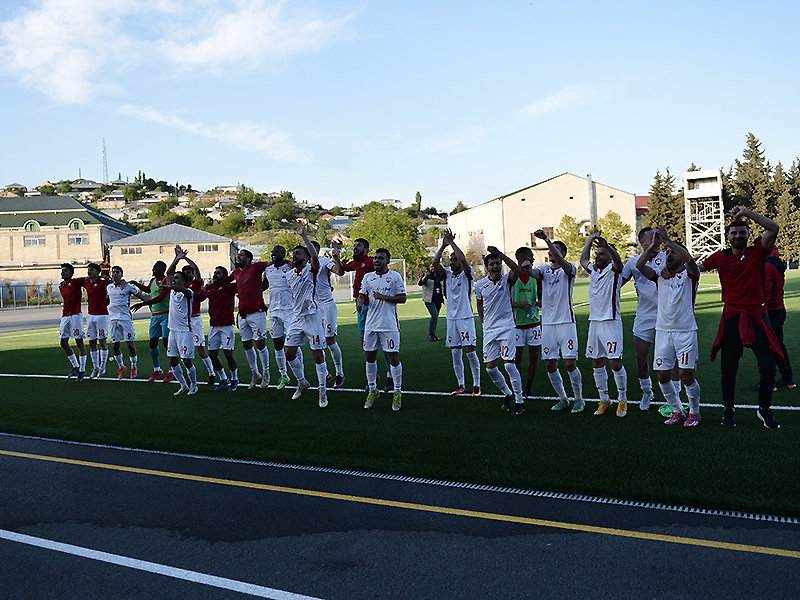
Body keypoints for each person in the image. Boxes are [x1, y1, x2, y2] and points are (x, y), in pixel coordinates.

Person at [699, 207, 783, 429]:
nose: (737, 236)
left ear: (747, 235)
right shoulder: (720, 257)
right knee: (728, 368)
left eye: (742, 232)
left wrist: (745, 212)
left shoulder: (757, 252)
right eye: (733, 233)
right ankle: (728, 409)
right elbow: (696, 268)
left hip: (756, 316)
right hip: (733, 318)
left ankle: (764, 409)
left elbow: (773, 227)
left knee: (768, 368)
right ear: (727, 237)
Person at [637, 225, 702, 426]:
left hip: (686, 332)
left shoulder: (691, 275)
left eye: (673, 253)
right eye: (667, 254)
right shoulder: (659, 277)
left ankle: (694, 412)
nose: (669, 255)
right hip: (663, 332)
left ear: (682, 257)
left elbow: (690, 261)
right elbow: (640, 266)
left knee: (686, 375)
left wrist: (668, 241)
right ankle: (677, 411)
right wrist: (655, 244)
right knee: (663, 375)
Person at [523, 232, 584, 413]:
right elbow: (533, 273)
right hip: (548, 325)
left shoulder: (569, 269)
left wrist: (547, 241)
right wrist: (526, 268)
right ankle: (563, 399)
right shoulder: (544, 270)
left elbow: (562, 262)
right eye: (550, 250)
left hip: (566, 322)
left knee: (569, 363)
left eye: (556, 250)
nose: (551, 253)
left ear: (562, 254)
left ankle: (579, 399)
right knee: (550, 364)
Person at [580, 230, 628, 417]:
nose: (597, 256)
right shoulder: (594, 270)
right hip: (595, 323)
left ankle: (622, 400)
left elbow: (619, 262)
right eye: (597, 253)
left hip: (611, 322)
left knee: (615, 363)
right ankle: (604, 399)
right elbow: (584, 260)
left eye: (601, 253)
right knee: (597, 362)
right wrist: (591, 240)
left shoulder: (614, 270)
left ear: (608, 255)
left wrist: (607, 245)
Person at [620, 227, 668, 410]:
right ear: (643, 243)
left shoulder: (666, 256)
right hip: (644, 316)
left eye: (657, 237)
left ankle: (673, 397)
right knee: (641, 359)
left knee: (668, 359)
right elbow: (618, 283)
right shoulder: (633, 262)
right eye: (652, 238)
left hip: (667, 315)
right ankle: (647, 391)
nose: (656, 240)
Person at [284, 222, 329, 407]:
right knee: (289, 353)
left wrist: (304, 236)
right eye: (293, 254)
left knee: (317, 355)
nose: (294, 256)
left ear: (306, 258)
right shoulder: (289, 274)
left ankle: (322, 392)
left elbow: (315, 256)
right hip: (296, 318)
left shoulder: (312, 270)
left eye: (298, 254)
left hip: (312, 317)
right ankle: (302, 381)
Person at [431, 229, 481, 396]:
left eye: (454, 259)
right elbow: (435, 264)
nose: (452, 261)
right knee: (455, 353)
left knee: (470, 352)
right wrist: (443, 246)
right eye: (450, 259)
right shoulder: (447, 275)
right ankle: (461, 385)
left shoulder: (468, 274)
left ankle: (477, 385)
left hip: (465, 318)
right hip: (451, 319)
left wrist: (452, 243)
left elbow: (463, 259)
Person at [475, 247, 524, 414]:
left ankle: (520, 400)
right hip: (489, 330)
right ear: (486, 267)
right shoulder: (480, 285)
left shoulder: (507, 280)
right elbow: (480, 304)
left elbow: (516, 269)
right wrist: (483, 322)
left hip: (507, 328)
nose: (495, 266)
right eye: (492, 264)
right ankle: (507, 393)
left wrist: (500, 253)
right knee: (490, 368)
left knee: (509, 365)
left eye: (498, 264)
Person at [359, 247, 407, 411]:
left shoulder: (395, 277)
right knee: (370, 358)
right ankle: (373, 390)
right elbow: (361, 294)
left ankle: (397, 393)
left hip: (389, 325)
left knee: (393, 358)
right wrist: (359, 302)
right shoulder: (368, 277)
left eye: (380, 258)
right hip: (371, 325)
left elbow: (403, 298)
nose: (377, 261)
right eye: (375, 258)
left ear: (387, 261)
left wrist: (383, 297)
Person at [343, 238, 393, 392]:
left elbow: (383, 270)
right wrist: (337, 258)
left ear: (366, 249)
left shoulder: (372, 261)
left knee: (385, 342)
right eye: (354, 245)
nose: (355, 247)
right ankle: (374, 376)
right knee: (366, 343)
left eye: (358, 245)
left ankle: (390, 375)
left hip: (376, 306)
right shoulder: (356, 263)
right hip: (362, 308)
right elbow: (343, 269)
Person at [750, 245, 794, 390]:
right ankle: (787, 378)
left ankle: (769, 381)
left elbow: (765, 292)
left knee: (766, 346)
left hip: (770, 311)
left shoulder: (767, 265)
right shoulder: (776, 260)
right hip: (779, 308)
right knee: (778, 344)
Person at [230, 248, 271, 390]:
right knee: (246, 345)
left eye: (241, 255)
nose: (238, 257)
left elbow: (271, 263)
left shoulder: (256, 267)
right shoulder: (235, 273)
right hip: (242, 313)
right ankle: (255, 373)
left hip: (257, 312)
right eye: (238, 255)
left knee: (260, 344)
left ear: (248, 259)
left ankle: (266, 373)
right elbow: (225, 282)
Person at [198, 266, 240, 391]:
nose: (215, 275)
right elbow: (199, 298)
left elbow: (244, 285)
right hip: (213, 326)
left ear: (224, 276)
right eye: (215, 272)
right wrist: (203, 289)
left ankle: (234, 378)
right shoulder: (210, 288)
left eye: (219, 273)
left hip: (227, 325)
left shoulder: (230, 287)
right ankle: (223, 378)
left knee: (228, 354)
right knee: (212, 354)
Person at [179, 251, 217, 385]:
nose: (188, 274)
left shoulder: (196, 284)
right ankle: (191, 376)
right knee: (185, 352)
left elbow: (196, 269)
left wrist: (184, 258)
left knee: (200, 349)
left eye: (189, 272)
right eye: (186, 273)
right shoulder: (180, 286)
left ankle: (212, 373)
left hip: (195, 320)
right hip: (184, 322)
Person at [130, 260, 171, 383]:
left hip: (166, 315)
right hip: (155, 316)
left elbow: (160, 298)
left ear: (162, 270)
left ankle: (171, 370)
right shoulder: (153, 281)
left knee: (166, 343)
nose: (153, 269)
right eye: (153, 267)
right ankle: (157, 369)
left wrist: (143, 303)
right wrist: (135, 283)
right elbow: (148, 290)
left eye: (156, 267)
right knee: (152, 343)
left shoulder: (165, 281)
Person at [312, 240, 345, 388]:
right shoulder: (303, 265)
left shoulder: (324, 261)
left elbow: (339, 271)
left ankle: (340, 373)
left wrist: (336, 258)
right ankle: (325, 373)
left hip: (327, 305)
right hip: (313, 308)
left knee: (330, 340)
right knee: (317, 343)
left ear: (317, 250)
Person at [107, 265, 149, 379]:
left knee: (129, 344)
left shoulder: (128, 287)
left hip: (126, 319)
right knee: (115, 346)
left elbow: (142, 297)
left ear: (122, 274)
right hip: (113, 320)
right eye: (113, 272)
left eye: (117, 272)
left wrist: (153, 301)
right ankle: (121, 367)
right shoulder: (109, 287)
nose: (114, 274)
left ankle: (134, 367)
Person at [512, 246, 542, 398]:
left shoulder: (536, 277)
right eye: (530, 256)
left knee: (534, 355)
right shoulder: (512, 277)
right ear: (522, 259)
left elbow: (542, 296)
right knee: (516, 357)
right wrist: (518, 305)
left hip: (534, 322)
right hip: (516, 325)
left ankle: (528, 386)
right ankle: (517, 386)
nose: (533, 259)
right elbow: (504, 301)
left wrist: (541, 302)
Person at [263, 245, 294, 390]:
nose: (273, 254)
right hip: (274, 311)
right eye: (272, 252)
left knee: (293, 344)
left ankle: (300, 374)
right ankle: (284, 375)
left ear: (283, 254)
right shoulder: (268, 270)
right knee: (277, 344)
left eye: (276, 252)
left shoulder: (290, 267)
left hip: (290, 311)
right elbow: (263, 285)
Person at [58, 263, 87, 381]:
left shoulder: (76, 282)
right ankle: (75, 366)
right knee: (63, 342)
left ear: (70, 273)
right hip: (65, 316)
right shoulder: (62, 287)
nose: (62, 273)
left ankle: (82, 369)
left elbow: (90, 278)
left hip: (76, 316)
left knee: (79, 342)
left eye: (65, 271)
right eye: (62, 271)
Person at [82, 263, 112, 379]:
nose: (89, 272)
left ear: (97, 272)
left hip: (102, 316)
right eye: (88, 270)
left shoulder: (104, 283)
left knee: (102, 341)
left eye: (91, 270)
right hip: (90, 316)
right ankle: (95, 367)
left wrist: (106, 277)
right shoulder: (86, 283)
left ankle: (103, 368)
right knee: (91, 342)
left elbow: (114, 282)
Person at [418, 266, 443, 342]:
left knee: (436, 317)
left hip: (438, 299)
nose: (433, 268)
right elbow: (420, 283)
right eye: (432, 266)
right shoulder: (428, 275)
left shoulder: (440, 275)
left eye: (435, 266)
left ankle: (433, 334)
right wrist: (425, 277)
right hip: (429, 300)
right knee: (434, 315)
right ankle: (430, 333)